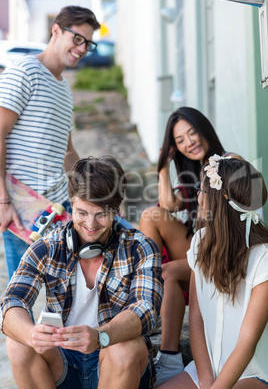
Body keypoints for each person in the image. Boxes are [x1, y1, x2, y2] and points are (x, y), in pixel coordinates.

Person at [0, 155, 164, 389]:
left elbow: (146, 309)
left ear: (117, 210)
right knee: (18, 344)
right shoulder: (48, 245)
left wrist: (100, 336)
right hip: (63, 362)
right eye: (82, 213)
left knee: (126, 349)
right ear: (71, 202)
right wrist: (30, 334)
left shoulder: (141, 248)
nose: (90, 224)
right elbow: (11, 301)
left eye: (101, 214)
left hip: (112, 358)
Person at [139, 107, 240, 386]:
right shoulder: (189, 174)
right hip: (202, 249)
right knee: (151, 215)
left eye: (192, 133)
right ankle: (146, 290)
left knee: (169, 272)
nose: (189, 142)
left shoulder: (230, 162)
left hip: (227, 253)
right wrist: (163, 164)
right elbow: (168, 205)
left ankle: (169, 356)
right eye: (180, 140)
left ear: (204, 129)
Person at [0, 5, 101, 281]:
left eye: (88, 44)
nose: (81, 49)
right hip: (24, 206)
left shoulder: (64, 88)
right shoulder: (25, 71)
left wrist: (95, 185)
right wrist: (2, 200)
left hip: (58, 205)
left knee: (66, 287)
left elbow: (67, 152)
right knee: (21, 291)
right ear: (56, 30)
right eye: (77, 38)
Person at [156, 155, 268, 388]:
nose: (197, 195)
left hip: (251, 372)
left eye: (201, 189)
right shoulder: (199, 242)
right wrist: (206, 378)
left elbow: (247, 340)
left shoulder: (263, 258)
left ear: (218, 200)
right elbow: (196, 317)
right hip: (206, 367)